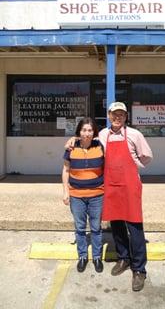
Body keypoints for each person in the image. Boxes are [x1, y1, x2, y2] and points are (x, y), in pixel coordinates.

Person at [99, 102, 153, 292]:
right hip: (112, 184)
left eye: (121, 114)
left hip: (130, 185)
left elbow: (147, 156)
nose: (117, 117)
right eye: (114, 114)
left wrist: (134, 166)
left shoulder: (134, 135)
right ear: (108, 115)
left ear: (126, 116)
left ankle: (139, 269)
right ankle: (123, 258)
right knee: (116, 223)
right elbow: (98, 156)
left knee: (135, 225)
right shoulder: (102, 135)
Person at [62, 117, 104, 273]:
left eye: (90, 130)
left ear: (94, 132)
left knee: (96, 228)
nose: (87, 133)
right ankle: (82, 256)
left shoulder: (101, 146)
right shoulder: (71, 148)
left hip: (97, 194)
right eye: (84, 130)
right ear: (79, 131)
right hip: (76, 196)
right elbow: (66, 170)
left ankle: (97, 257)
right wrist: (66, 192)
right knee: (80, 228)